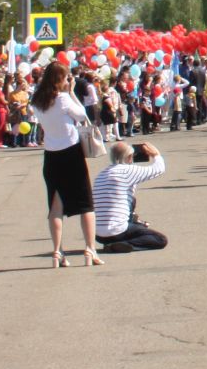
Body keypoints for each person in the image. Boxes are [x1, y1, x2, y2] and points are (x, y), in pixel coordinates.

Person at [30, 61, 101, 267]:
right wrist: (71, 93)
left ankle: (57, 251)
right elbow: (82, 116)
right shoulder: (62, 99)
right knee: (85, 203)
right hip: (71, 153)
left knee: (55, 205)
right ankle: (90, 249)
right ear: (61, 78)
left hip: (51, 155)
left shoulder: (37, 101)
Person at [93, 141, 168, 252]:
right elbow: (158, 169)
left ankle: (112, 242)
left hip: (99, 234)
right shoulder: (127, 170)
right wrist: (156, 155)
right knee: (160, 239)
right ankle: (123, 244)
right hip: (118, 231)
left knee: (130, 200)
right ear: (129, 157)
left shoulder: (102, 174)